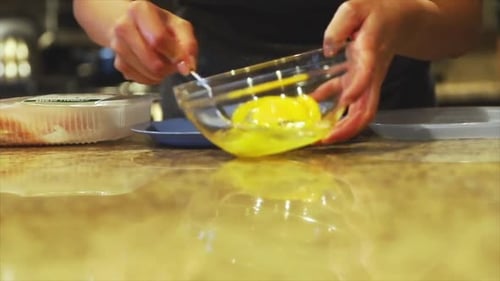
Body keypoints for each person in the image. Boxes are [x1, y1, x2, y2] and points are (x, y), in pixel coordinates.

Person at [73, 0, 482, 144]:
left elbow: (463, 21)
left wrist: (405, 18)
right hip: (202, 139)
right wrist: (124, 26)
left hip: (382, 133)